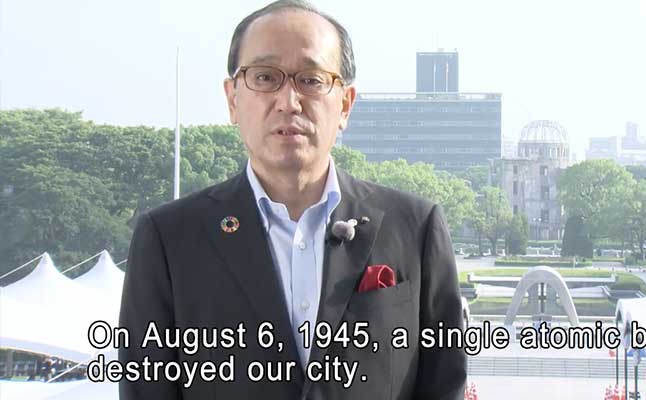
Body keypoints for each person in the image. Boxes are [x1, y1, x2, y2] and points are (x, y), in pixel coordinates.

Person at [118, 1, 466, 399]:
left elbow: (445, 385)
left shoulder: (415, 228)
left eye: (311, 79)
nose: (288, 101)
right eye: (265, 77)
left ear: (345, 105)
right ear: (233, 99)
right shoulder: (168, 239)